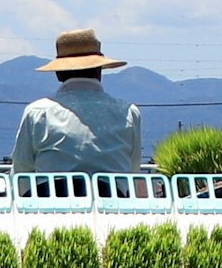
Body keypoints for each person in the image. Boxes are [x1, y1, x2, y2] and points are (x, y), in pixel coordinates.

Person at [13, 28, 144, 177]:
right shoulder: (128, 112)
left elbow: (21, 170)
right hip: (112, 198)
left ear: (58, 73)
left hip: (52, 198)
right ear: (99, 70)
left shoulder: (37, 113)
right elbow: (133, 169)